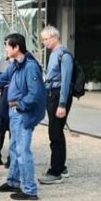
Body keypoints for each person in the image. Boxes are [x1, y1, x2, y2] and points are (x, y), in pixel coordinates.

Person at [0, 33, 46, 201]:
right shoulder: (15, 65)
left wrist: (20, 105)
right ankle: (13, 182)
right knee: (14, 148)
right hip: (14, 113)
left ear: (16, 47)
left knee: (22, 151)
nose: (5, 48)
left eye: (7, 45)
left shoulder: (30, 66)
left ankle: (29, 190)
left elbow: (36, 94)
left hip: (22, 114)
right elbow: (1, 80)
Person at [39, 25, 74, 184]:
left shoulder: (64, 55)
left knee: (55, 133)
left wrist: (62, 104)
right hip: (51, 93)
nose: (44, 42)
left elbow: (66, 81)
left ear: (55, 37)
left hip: (58, 95)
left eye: (46, 39)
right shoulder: (54, 54)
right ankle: (61, 166)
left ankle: (56, 171)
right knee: (56, 131)